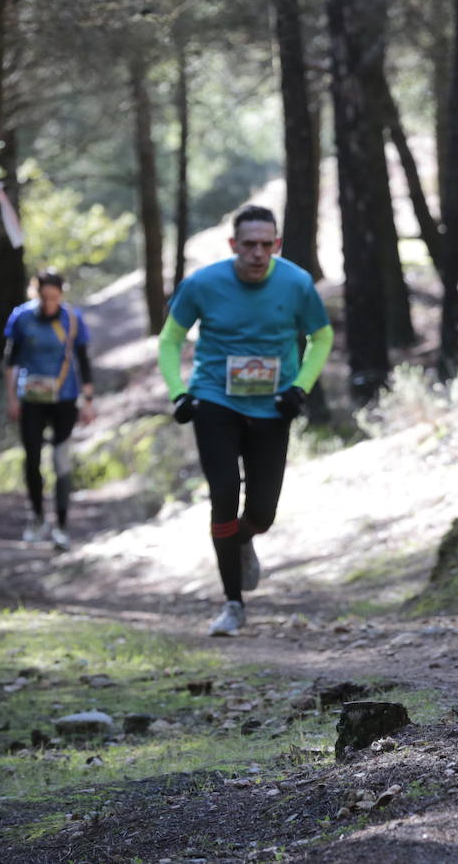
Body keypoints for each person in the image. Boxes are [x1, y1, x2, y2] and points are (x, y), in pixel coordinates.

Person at [159, 205, 333, 636]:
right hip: (214, 400)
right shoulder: (202, 284)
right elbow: (170, 339)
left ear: (276, 244)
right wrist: (179, 393)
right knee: (222, 495)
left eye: (266, 244)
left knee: (262, 512)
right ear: (233, 245)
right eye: (249, 245)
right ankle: (233, 604)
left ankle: (241, 539)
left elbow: (321, 336)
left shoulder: (296, 283)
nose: (257, 253)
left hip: (273, 405)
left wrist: (300, 387)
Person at [4, 267, 96, 551]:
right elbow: (10, 360)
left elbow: (83, 359)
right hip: (30, 399)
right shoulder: (22, 317)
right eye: (44, 297)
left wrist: (88, 399)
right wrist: (11, 398)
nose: (49, 303)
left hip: (64, 398)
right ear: (37, 293)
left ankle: (63, 525)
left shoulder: (72, 319)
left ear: (61, 294)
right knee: (32, 458)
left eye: (54, 297)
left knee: (61, 459)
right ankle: (37, 517)